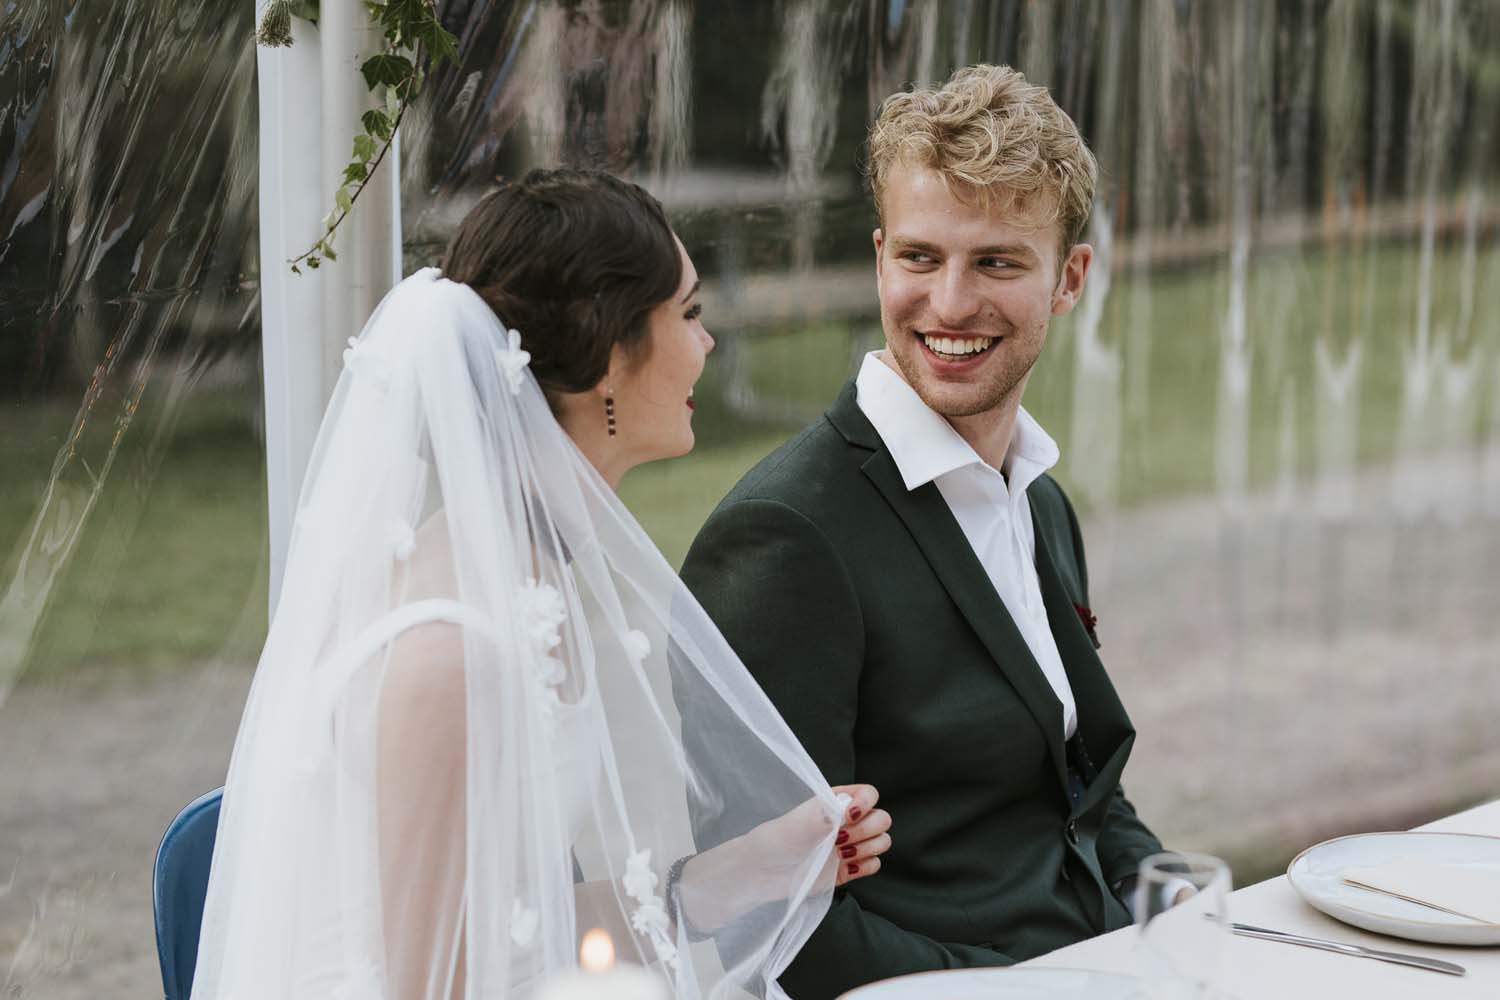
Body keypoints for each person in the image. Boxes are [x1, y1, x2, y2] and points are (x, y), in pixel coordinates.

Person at [191, 169, 891, 1000]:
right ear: (608, 357)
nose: (707, 343)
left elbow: (523, 926)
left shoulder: (527, 577)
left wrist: (757, 866)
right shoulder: (450, 653)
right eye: (691, 313)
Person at [681, 65, 1170, 999]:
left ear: (1069, 279)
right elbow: (775, 920)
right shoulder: (783, 539)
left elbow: (1078, 798)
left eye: (995, 261)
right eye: (919, 258)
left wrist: (1182, 904)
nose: (948, 305)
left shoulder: (1039, 500)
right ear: (878, 260)